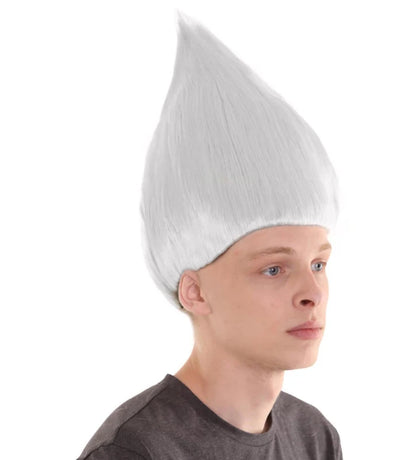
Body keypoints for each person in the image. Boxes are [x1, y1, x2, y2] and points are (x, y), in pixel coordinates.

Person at [77, 9, 343, 460]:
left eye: (318, 264)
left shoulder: (313, 436)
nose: (312, 293)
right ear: (195, 292)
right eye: (274, 269)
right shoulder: (137, 450)